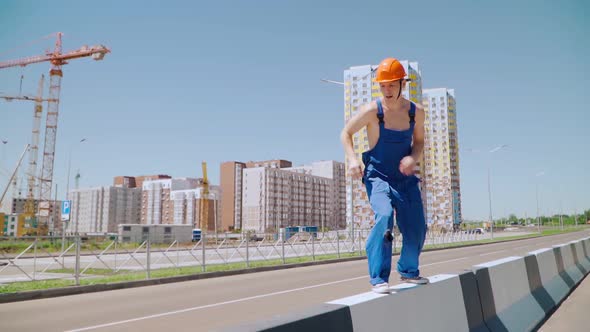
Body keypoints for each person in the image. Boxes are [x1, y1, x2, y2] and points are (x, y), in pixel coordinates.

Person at [340, 57, 429, 294]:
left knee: (417, 228)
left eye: (391, 84)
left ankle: (409, 272)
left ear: (402, 83)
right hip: (377, 176)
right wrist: (352, 159)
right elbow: (346, 133)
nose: (387, 90)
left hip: (405, 179)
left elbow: (419, 141)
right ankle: (379, 277)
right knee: (385, 216)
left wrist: (413, 157)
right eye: (382, 85)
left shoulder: (416, 113)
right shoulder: (373, 111)